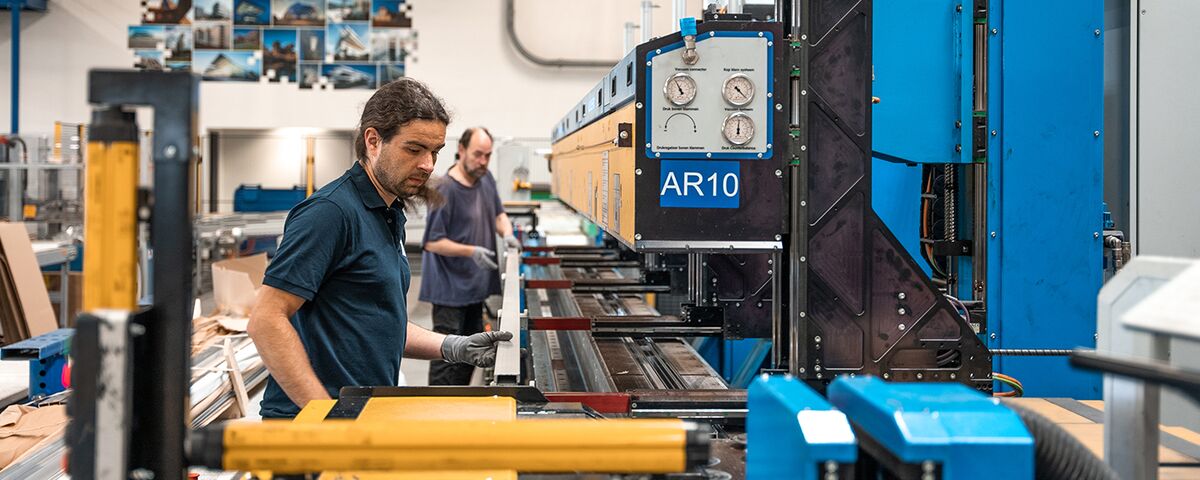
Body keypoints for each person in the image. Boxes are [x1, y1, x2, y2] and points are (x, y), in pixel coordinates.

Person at [247, 79, 512, 418]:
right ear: (373, 141)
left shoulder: (389, 213)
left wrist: (452, 346)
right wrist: (327, 416)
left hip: (363, 414)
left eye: (435, 152)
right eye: (414, 149)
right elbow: (265, 320)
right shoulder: (332, 212)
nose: (429, 165)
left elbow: (377, 321)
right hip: (310, 430)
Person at [420, 127, 521, 385]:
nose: (483, 161)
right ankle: (438, 414)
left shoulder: (485, 179)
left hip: (475, 287)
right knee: (446, 354)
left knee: (473, 351)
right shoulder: (444, 189)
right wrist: (471, 251)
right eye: (478, 155)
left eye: (487, 155)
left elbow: (498, 214)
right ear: (461, 150)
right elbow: (432, 242)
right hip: (449, 289)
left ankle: (460, 401)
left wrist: (508, 234)